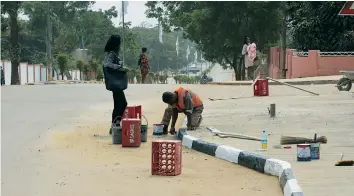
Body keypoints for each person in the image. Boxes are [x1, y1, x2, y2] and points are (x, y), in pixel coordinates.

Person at [103, 35, 129, 134]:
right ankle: (115, 125)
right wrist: (119, 67)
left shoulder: (113, 53)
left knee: (119, 104)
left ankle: (115, 125)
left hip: (116, 84)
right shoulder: (111, 54)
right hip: (115, 83)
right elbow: (107, 64)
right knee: (122, 103)